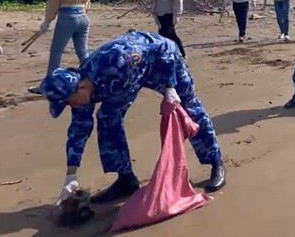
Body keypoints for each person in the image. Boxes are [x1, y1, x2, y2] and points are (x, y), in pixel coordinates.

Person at [40, 31, 226, 206]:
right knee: (107, 117)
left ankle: (215, 162)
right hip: (125, 84)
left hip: (160, 62)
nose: (71, 106)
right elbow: (79, 129)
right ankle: (125, 179)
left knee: (189, 105)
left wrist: (170, 87)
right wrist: (70, 175)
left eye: (68, 102)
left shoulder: (117, 59)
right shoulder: (81, 96)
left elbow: (163, 49)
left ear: (79, 88)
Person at [29, 0, 91, 95]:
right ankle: (93, 80)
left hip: (67, 17)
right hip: (83, 16)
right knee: (83, 52)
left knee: (56, 52)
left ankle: (49, 86)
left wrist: (47, 21)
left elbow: (53, 2)